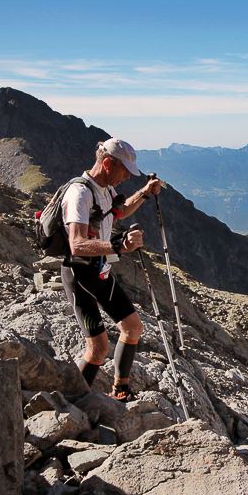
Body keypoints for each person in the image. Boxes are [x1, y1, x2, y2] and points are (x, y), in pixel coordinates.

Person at [60, 138, 164, 402]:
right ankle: (73, 403)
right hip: (80, 274)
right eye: (124, 171)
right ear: (107, 163)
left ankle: (120, 389)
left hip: (101, 271)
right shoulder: (80, 193)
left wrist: (144, 192)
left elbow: (120, 212)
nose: (126, 177)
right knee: (98, 347)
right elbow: (77, 244)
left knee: (132, 327)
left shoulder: (103, 189)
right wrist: (117, 246)